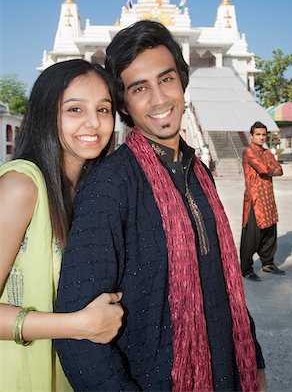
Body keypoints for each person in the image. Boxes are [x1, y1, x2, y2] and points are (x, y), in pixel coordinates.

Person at [55, 21, 267, 392]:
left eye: (166, 79)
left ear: (183, 83)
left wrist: (257, 365)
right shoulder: (112, 184)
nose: (158, 99)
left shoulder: (199, 173)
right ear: (123, 102)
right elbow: (77, 334)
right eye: (140, 88)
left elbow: (225, 284)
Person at [0, 59, 124, 392]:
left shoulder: (89, 190)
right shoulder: (21, 186)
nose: (93, 123)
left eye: (103, 109)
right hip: (15, 374)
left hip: (64, 372)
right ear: (46, 114)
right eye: (74, 109)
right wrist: (77, 324)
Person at [240, 121, 285, 282]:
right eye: (257, 134)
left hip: (268, 199)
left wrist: (273, 169)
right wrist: (272, 169)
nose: (261, 137)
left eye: (263, 134)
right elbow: (265, 169)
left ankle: (268, 263)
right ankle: (245, 269)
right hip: (255, 199)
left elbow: (280, 170)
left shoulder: (267, 153)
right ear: (251, 136)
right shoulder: (249, 152)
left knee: (270, 233)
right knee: (252, 236)